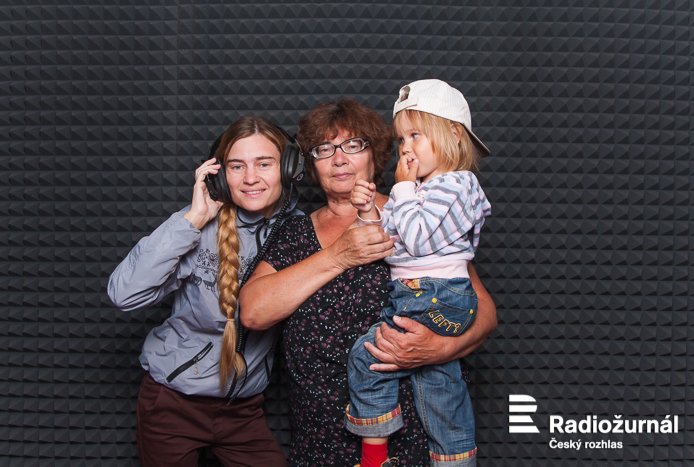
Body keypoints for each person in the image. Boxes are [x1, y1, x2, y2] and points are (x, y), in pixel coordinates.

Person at [239, 99, 497, 466]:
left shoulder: (416, 215)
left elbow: (483, 314)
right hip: (321, 440)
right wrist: (338, 255)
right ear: (312, 165)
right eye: (324, 149)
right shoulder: (295, 233)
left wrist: (439, 349)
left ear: (376, 155)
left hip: (410, 441)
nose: (339, 159)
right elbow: (253, 312)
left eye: (353, 145)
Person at [107, 116, 302, 467]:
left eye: (264, 164)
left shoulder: (301, 232)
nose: (250, 178)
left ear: (288, 168)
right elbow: (124, 294)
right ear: (218, 175)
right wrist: (193, 220)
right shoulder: (196, 225)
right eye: (237, 166)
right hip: (173, 404)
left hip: (243, 408)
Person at [346, 79, 492, 467]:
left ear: (454, 135)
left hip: (436, 294)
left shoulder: (457, 184)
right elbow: (388, 244)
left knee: (367, 356)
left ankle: (373, 458)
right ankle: (454, 459)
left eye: (416, 135)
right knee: (437, 386)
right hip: (413, 293)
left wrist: (402, 189)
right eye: (401, 139)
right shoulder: (418, 189)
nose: (406, 148)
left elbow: (417, 237)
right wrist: (368, 210)